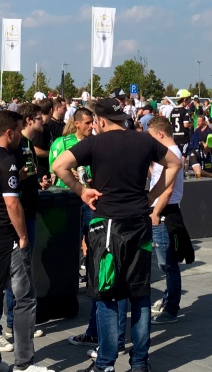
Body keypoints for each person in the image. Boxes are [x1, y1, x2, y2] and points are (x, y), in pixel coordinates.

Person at [52, 98, 181, 372]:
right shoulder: (143, 141)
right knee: (139, 293)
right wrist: (151, 196)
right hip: (139, 222)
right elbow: (174, 164)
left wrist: (80, 190)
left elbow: (59, 166)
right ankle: (139, 363)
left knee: (108, 293)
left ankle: (106, 363)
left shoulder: (94, 143)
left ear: (98, 121)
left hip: (108, 225)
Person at [0, 109, 52, 372]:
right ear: (9, 132)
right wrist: (23, 236)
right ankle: (24, 363)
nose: (20, 135)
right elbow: (11, 203)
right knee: (25, 297)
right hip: (6, 239)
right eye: (18, 130)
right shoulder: (6, 160)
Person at [146, 115, 187, 324]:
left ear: (160, 134)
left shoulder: (172, 154)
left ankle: (171, 308)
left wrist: (155, 212)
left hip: (164, 212)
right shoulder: (170, 154)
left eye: (151, 136)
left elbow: (168, 189)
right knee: (166, 262)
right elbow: (160, 181)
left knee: (167, 264)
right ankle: (168, 301)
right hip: (163, 209)